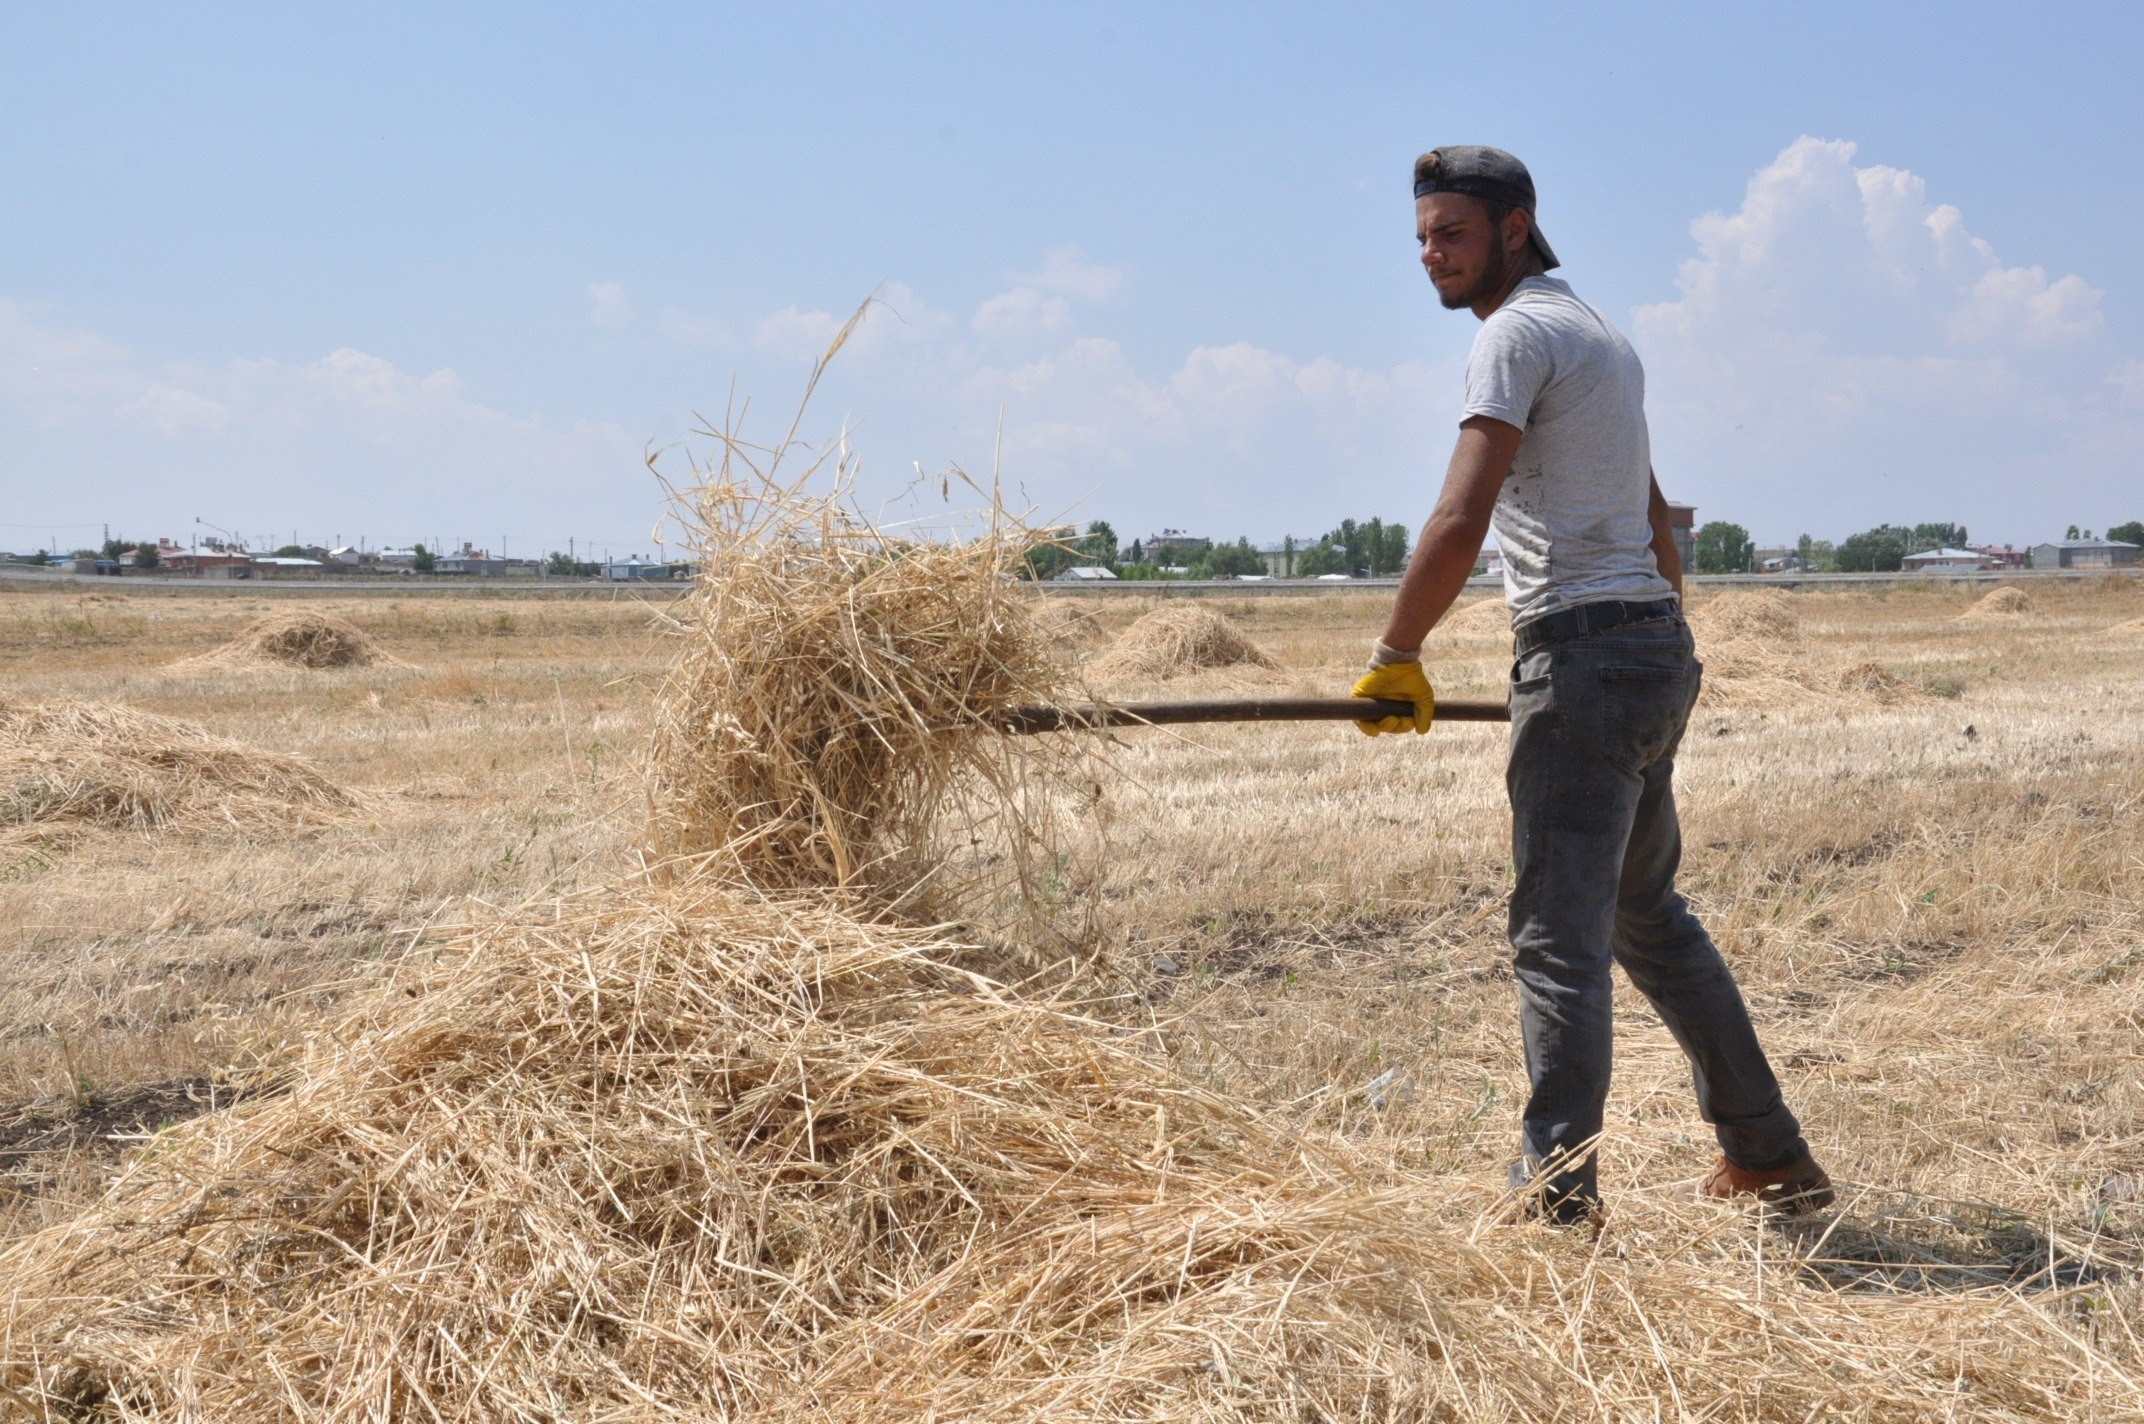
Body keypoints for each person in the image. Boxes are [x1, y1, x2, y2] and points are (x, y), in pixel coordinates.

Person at [1352, 145, 1832, 1225]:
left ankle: (1556, 1193)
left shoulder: (1513, 335)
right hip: (1646, 651)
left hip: (1582, 657)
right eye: (1422, 236)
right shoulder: (1596, 334)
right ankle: (1766, 1151)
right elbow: (1654, 519)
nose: (1431, 254)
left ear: (1513, 228)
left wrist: (1397, 649)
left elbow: (1458, 517)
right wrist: (1654, 640)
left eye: (1452, 234)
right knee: (1643, 913)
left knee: (1556, 938)